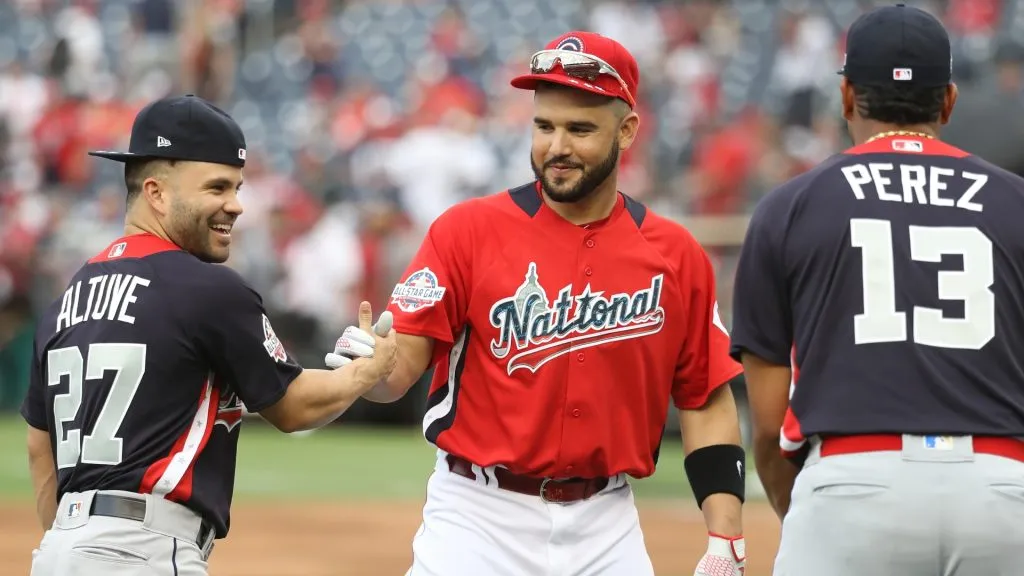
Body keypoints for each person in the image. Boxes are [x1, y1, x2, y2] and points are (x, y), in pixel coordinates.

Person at [325, 31, 747, 576]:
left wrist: (726, 537)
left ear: (627, 131)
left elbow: (705, 399)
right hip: (477, 518)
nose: (557, 146)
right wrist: (371, 371)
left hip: (606, 521)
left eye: (579, 129)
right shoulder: (467, 231)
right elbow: (397, 369)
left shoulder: (675, 255)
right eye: (544, 126)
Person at [21, 94, 397, 576]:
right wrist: (369, 371)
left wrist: (77, 545)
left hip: (59, 550)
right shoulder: (205, 286)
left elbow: (39, 448)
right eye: (217, 187)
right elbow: (294, 406)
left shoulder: (66, 300)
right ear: (156, 193)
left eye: (237, 187)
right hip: (143, 550)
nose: (236, 205)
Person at [730, 4, 1024, 575]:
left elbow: (767, 427)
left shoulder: (790, 206)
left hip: (853, 480)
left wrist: (810, 516)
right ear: (948, 100)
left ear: (846, 96)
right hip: (1003, 485)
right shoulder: (1017, 202)